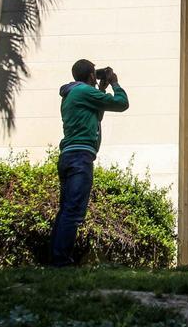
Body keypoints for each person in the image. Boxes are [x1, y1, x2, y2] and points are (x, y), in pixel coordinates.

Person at [50, 59, 129, 267]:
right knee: (74, 210)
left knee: (66, 208)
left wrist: (101, 89)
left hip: (68, 155)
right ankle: (61, 261)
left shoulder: (73, 93)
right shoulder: (83, 91)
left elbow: (97, 114)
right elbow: (121, 104)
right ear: (91, 76)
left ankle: (57, 257)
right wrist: (114, 84)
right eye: (96, 74)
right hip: (80, 157)